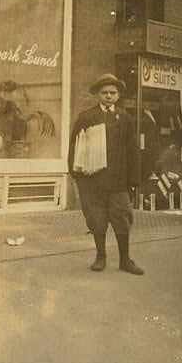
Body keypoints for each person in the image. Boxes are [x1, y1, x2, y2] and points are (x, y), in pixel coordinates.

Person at [68, 73, 144, 275]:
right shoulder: (86, 118)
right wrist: (78, 177)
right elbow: (74, 148)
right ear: (97, 95)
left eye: (113, 92)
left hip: (118, 182)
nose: (109, 96)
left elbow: (132, 150)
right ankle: (100, 256)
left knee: (122, 219)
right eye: (104, 93)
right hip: (94, 181)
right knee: (97, 220)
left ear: (118, 95)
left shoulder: (126, 118)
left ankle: (125, 260)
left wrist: (134, 180)